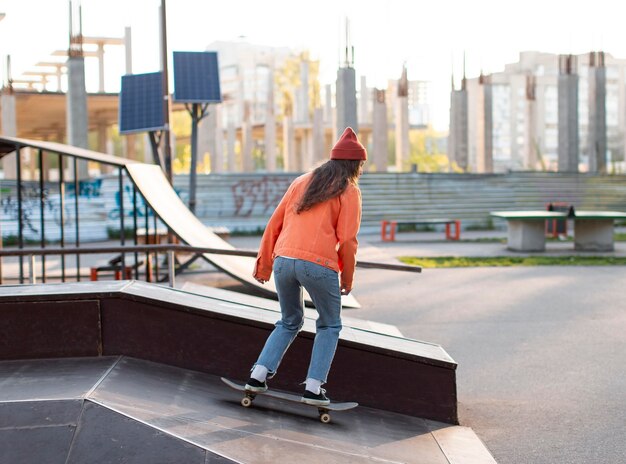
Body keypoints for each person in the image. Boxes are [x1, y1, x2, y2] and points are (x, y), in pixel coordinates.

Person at [246, 127, 366, 406]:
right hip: (319, 265)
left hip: (283, 261)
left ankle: (258, 375)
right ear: (355, 164)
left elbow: (274, 223)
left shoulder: (302, 181)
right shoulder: (348, 190)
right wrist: (347, 277)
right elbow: (347, 240)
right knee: (329, 324)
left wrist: (264, 265)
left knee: (288, 321)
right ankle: (313, 387)